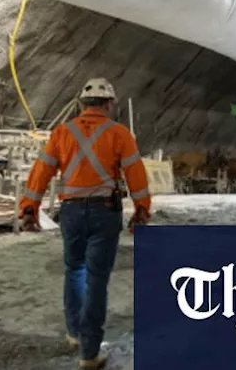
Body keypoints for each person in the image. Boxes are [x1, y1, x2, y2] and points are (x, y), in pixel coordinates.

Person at [19, 77, 151, 370]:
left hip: (71, 212)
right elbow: (136, 175)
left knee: (74, 270)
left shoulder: (61, 133)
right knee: (96, 279)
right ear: (109, 104)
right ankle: (90, 354)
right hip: (104, 213)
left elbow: (41, 172)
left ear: (82, 104)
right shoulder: (119, 133)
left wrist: (29, 208)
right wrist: (141, 210)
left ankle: (75, 334)